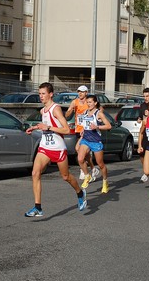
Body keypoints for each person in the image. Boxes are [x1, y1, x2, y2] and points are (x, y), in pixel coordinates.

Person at [25, 82, 87, 217]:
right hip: (45, 147)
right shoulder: (43, 110)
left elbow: (66, 129)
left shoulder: (56, 109)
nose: (41, 96)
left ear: (51, 94)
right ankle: (38, 207)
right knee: (35, 173)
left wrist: (47, 128)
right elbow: (46, 125)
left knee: (65, 177)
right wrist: (36, 127)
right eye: (39, 94)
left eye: (43, 94)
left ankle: (80, 192)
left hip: (58, 148)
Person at [77, 95, 112, 193]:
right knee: (80, 159)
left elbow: (109, 126)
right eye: (87, 102)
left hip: (96, 141)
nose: (88, 104)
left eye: (90, 102)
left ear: (95, 103)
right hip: (86, 140)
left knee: (100, 164)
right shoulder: (85, 113)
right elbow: (85, 125)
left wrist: (97, 127)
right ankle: (87, 175)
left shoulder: (99, 114)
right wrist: (83, 131)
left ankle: (105, 181)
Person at [66, 85, 100, 181]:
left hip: (88, 130)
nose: (80, 93)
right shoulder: (75, 102)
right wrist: (71, 111)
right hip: (78, 130)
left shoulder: (89, 102)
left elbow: (99, 111)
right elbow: (67, 115)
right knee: (83, 152)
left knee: (79, 149)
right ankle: (93, 168)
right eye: (79, 91)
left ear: (86, 93)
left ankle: (84, 169)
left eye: (82, 91)